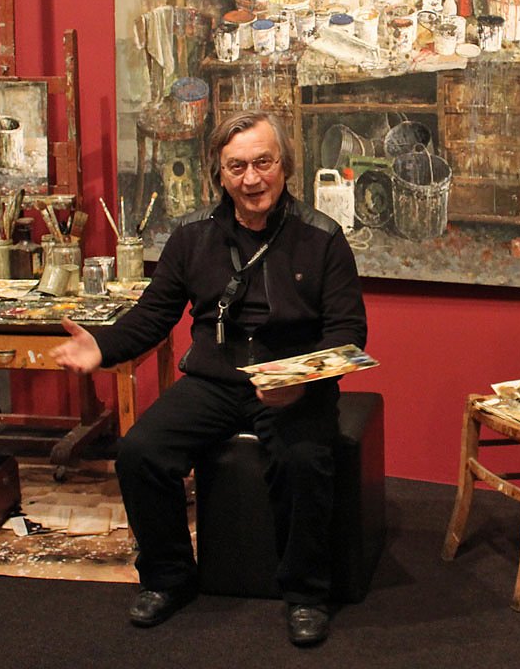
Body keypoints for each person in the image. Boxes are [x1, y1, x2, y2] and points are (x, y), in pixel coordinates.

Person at [52, 111, 367, 647]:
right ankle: (168, 578)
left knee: (303, 461)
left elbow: (348, 332)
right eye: (237, 166)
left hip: (292, 381)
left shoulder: (322, 237)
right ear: (218, 174)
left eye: (263, 162)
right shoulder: (192, 236)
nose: (252, 178)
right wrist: (102, 346)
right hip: (215, 379)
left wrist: (302, 381)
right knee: (140, 452)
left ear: (285, 166)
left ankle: (306, 594)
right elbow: (154, 315)